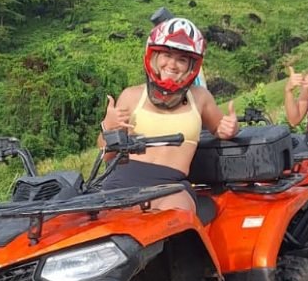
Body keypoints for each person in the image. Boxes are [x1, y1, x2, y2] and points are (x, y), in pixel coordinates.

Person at [98, 18, 239, 212]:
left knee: (175, 219)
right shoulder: (131, 96)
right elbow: (107, 155)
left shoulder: (200, 98)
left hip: (170, 187)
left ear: (192, 66)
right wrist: (108, 127)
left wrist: (230, 128)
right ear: (153, 56)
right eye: (166, 55)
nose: (172, 64)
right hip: (121, 184)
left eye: (181, 59)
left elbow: (220, 129)